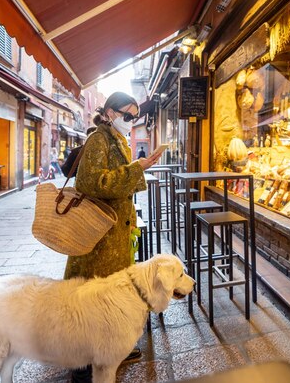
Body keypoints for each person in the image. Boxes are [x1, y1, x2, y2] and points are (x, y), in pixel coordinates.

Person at [65, 92, 164, 383]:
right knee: (93, 297)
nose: (131, 121)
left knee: (109, 295)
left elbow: (115, 180)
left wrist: (137, 172)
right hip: (98, 236)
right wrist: (137, 169)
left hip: (113, 234)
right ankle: (82, 365)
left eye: (135, 116)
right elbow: (91, 182)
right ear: (109, 112)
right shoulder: (99, 139)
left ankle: (109, 353)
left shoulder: (115, 138)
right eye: (127, 115)